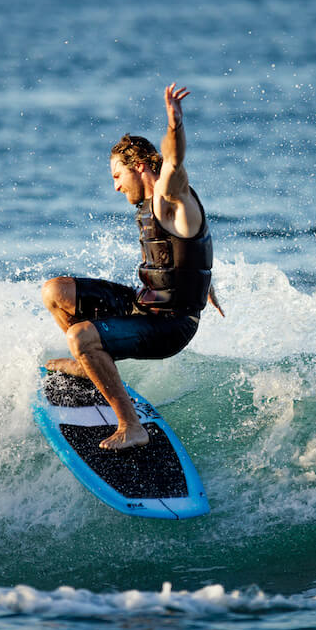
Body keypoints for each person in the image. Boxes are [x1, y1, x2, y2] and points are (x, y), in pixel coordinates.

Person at [41, 82, 223, 450]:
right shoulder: (154, 206)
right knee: (55, 292)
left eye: (117, 177)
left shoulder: (171, 199)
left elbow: (173, 163)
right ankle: (88, 365)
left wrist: (174, 127)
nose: (115, 187)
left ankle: (131, 426)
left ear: (138, 167)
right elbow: (184, 255)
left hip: (171, 326)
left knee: (80, 336)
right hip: (148, 306)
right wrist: (206, 283)